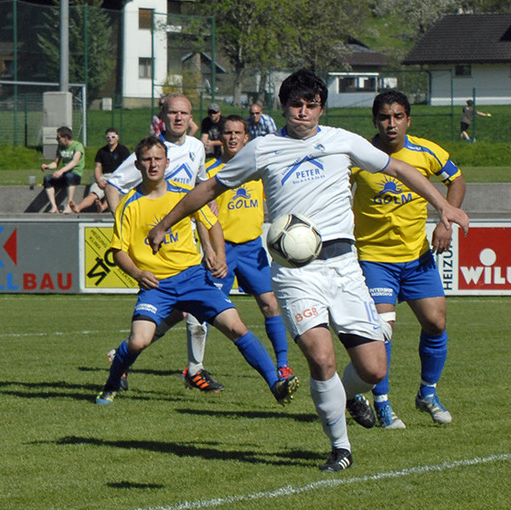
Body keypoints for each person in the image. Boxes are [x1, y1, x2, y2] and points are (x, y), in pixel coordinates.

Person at [147, 69, 469, 473]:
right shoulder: (262, 148)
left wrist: (443, 206)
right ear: (284, 107)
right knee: (322, 359)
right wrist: (164, 224)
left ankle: (349, 395)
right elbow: (209, 189)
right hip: (295, 273)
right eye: (295, 105)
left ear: (321, 108)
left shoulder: (341, 141)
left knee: (373, 369)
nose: (303, 113)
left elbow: (400, 170)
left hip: (345, 268)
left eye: (311, 105)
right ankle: (340, 447)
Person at [97, 136, 298, 406]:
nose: (152, 164)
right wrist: (137, 273)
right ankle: (112, 383)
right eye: (146, 159)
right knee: (138, 341)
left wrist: (220, 256)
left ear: (167, 162)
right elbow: (118, 251)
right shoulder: (129, 204)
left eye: (158, 159)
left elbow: (213, 223)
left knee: (237, 327)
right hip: (157, 285)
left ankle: (276, 383)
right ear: (137, 164)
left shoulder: (184, 194)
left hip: (193, 279)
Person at [353, 89, 466, 428]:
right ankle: (383, 402)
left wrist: (446, 219)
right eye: (384, 118)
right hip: (374, 258)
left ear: (408, 120)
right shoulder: (359, 155)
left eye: (398, 117)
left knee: (436, 322)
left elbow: (456, 179)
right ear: (375, 121)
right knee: (383, 331)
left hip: (417, 256)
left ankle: (427, 393)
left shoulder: (426, 151)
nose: (391, 124)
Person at [104, 92, 223, 393]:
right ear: (163, 116)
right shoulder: (151, 151)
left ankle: (193, 369)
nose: (179, 118)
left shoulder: (197, 147)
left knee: (191, 312)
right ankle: (126, 356)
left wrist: (208, 247)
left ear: (191, 116)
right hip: (155, 251)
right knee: (176, 313)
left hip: (185, 246)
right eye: (172, 113)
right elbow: (113, 184)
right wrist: (126, 224)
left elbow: (197, 197)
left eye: (184, 113)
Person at [206, 115, 292, 380]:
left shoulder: (258, 170)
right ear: (220, 137)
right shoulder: (209, 172)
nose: (233, 137)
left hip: (252, 249)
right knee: (202, 310)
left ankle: (283, 363)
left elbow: (280, 198)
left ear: (246, 138)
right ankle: (194, 365)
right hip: (222, 251)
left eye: (238, 133)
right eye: (228, 132)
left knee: (270, 304)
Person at [74, 127, 131, 213]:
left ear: (117, 137)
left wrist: (115, 180)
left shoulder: (123, 150)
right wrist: (99, 180)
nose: (110, 139)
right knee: (93, 194)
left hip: (117, 178)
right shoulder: (101, 151)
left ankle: (103, 207)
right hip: (104, 177)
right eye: (108, 137)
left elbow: (125, 168)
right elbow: (97, 167)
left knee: (112, 192)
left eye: (113, 137)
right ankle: (78, 207)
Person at [40, 126, 84, 214]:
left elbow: (74, 162)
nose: (57, 140)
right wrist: (47, 166)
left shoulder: (77, 146)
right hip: (64, 174)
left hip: (75, 174)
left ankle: (69, 206)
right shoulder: (60, 148)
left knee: (69, 176)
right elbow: (56, 163)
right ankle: (54, 206)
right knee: (47, 179)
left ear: (66, 138)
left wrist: (61, 171)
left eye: (58, 137)